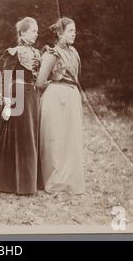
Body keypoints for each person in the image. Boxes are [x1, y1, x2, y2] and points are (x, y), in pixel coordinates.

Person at [36, 17, 85, 194]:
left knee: (70, 138)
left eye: (75, 31)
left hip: (71, 97)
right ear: (59, 33)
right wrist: (56, 87)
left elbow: (76, 77)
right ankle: (55, 180)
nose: (74, 34)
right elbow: (40, 82)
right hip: (55, 97)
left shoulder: (74, 53)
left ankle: (69, 180)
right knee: (56, 138)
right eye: (70, 31)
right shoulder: (51, 53)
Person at [0, 17, 44, 195]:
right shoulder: (14, 52)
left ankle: (29, 182)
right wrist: (7, 103)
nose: (36, 34)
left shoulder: (38, 53)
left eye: (37, 31)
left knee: (30, 135)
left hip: (32, 96)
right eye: (33, 31)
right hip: (17, 95)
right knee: (19, 136)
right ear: (22, 33)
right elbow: (6, 77)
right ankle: (11, 183)